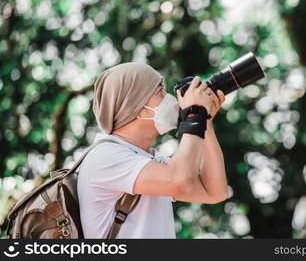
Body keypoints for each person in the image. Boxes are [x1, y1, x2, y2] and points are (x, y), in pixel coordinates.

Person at [77, 62, 228, 238]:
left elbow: (214, 191)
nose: (169, 98)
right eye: (160, 91)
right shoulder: (104, 157)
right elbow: (180, 180)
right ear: (136, 106)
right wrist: (195, 114)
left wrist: (205, 123)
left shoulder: (147, 159)